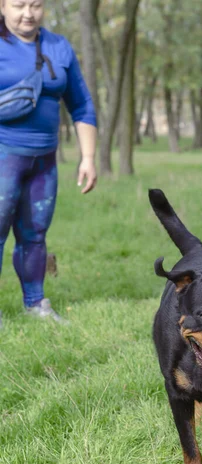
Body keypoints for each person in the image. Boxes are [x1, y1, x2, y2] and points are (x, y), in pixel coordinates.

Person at [0, 0, 97, 327]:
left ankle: (35, 304)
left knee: (35, 234)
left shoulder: (58, 46)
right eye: (18, 5)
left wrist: (88, 157)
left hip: (44, 161)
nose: (28, 13)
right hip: (3, 156)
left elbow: (81, 104)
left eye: (36, 4)